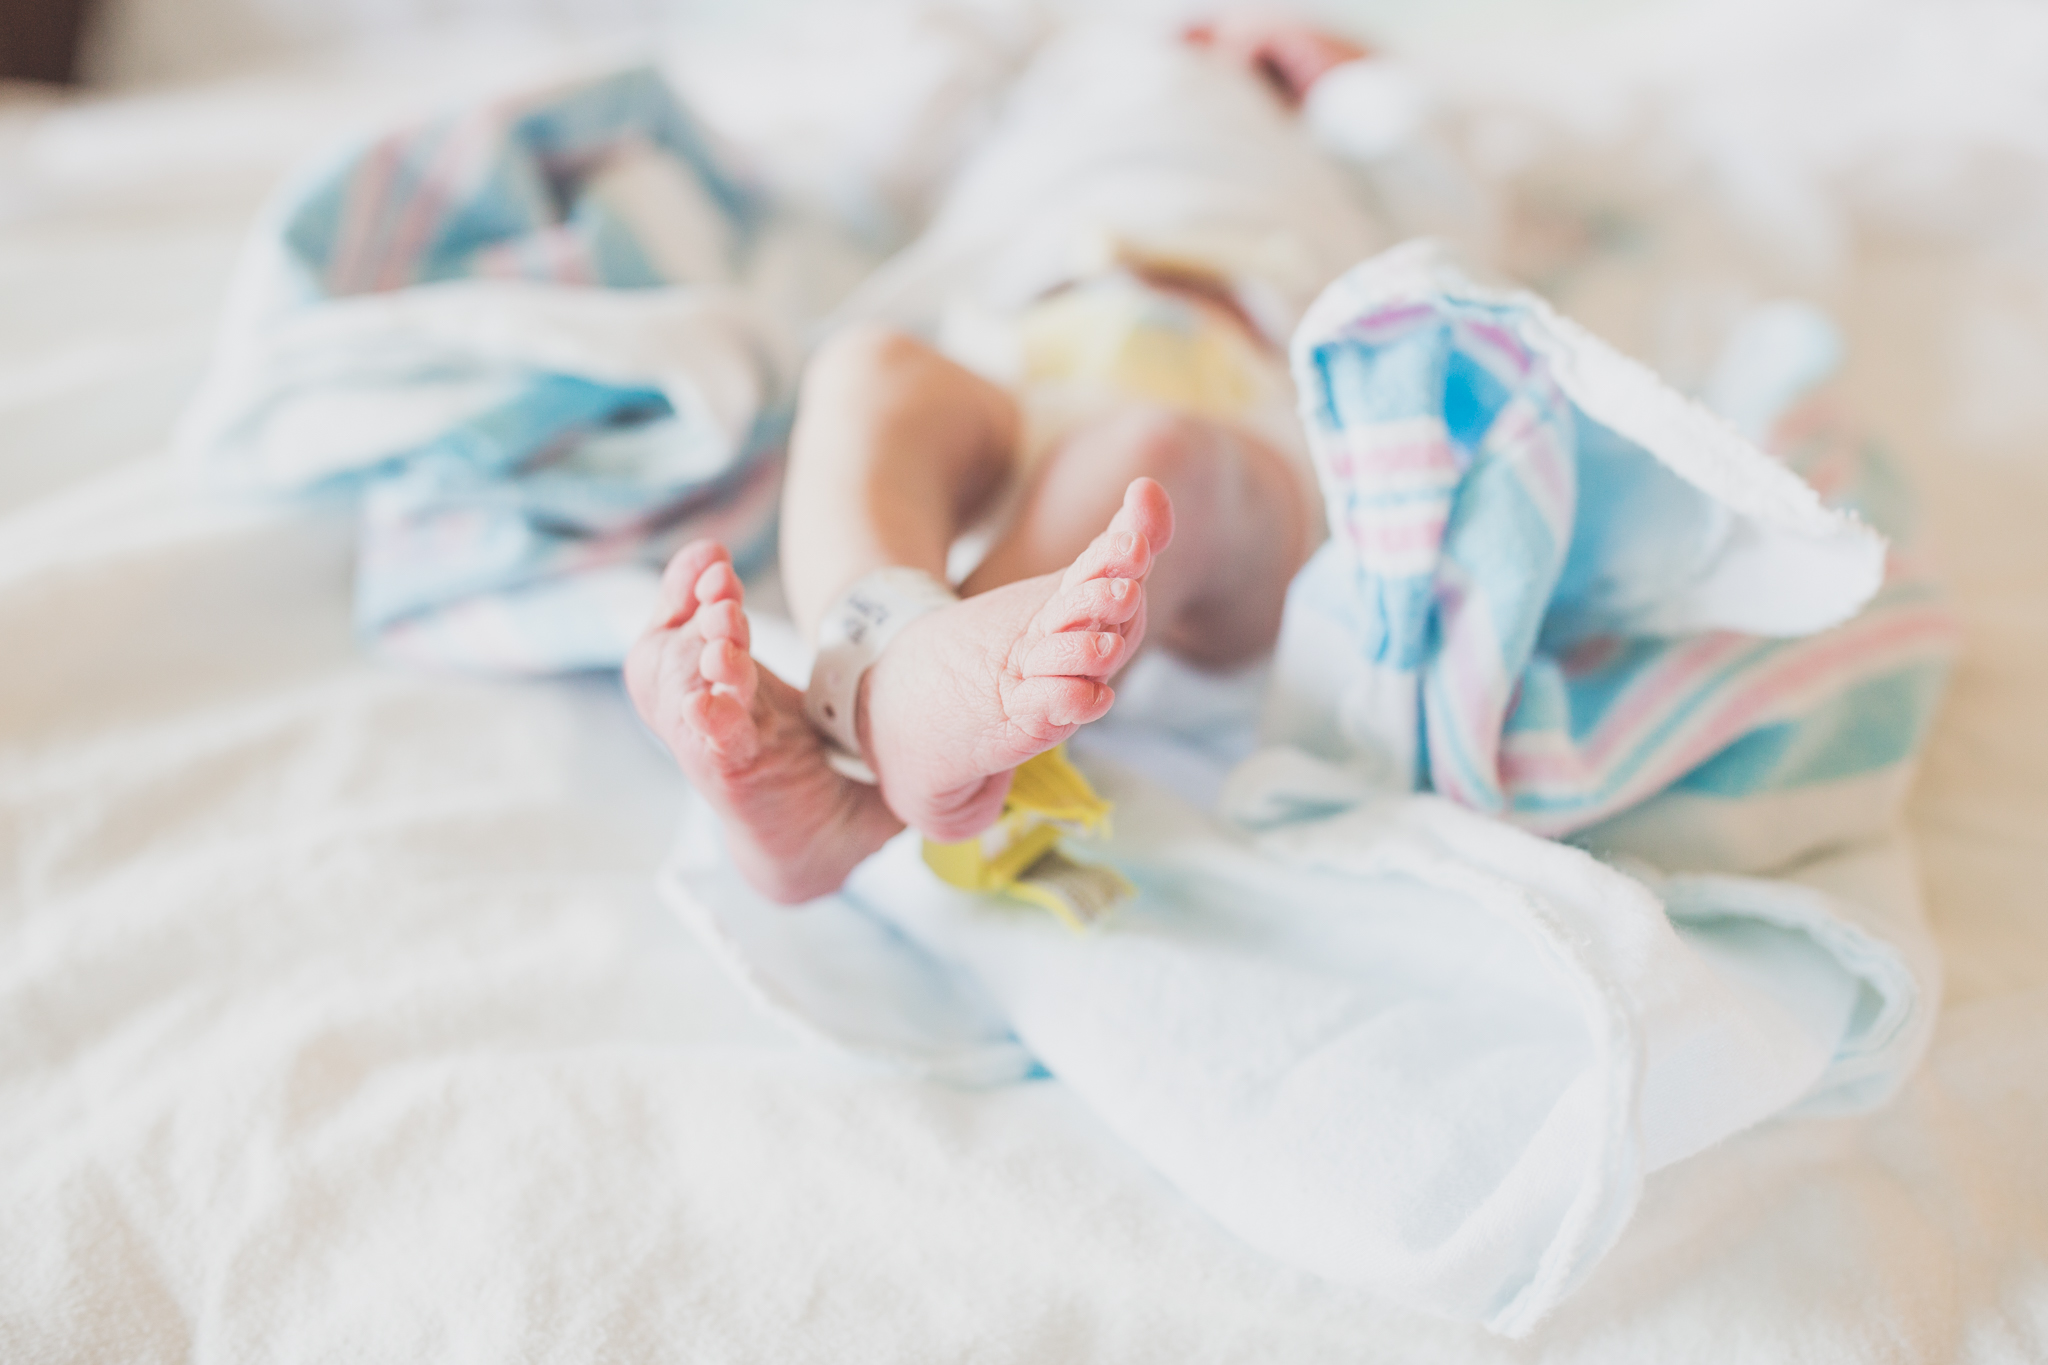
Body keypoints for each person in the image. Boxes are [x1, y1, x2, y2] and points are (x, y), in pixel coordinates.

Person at [626, 12, 1385, 903]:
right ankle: (882, 659)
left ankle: (888, 739)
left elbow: (1471, 205)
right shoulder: (1061, 80)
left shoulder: (1346, 145)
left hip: (1239, 405)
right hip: (1023, 353)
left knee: (1156, 461)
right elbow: (899, 142)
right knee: (869, 368)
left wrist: (1359, 86)